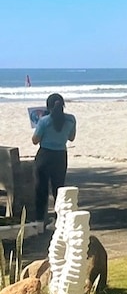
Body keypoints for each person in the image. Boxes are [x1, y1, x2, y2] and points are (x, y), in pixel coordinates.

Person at [31, 93, 76, 228]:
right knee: (59, 189)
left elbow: (35, 140)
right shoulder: (71, 119)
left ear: (48, 106)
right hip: (61, 155)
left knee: (41, 189)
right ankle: (59, 221)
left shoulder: (44, 121)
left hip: (45, 155)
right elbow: (71, 138)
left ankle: (39, 222)